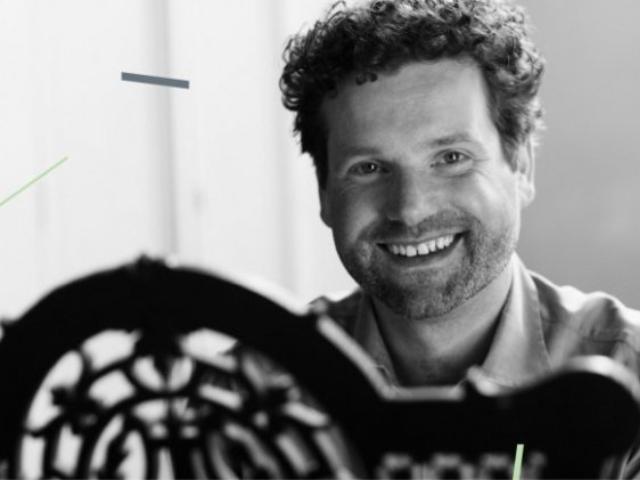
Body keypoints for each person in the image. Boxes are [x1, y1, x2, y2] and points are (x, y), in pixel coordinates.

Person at [279, 0, 640, 476]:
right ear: (324, 193)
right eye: (368, 168)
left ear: (522, 166)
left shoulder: (631, 378)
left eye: (451, 158)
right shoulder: (253, 387)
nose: (411, 209)